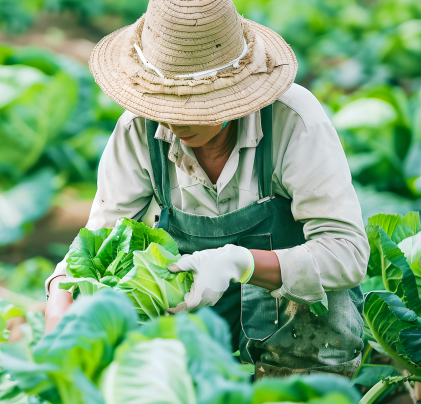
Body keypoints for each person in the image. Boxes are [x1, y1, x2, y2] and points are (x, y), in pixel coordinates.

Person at [44, 0, 369, 379]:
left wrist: (240, 263)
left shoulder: (292, 121)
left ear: (237, 87)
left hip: (292, 313)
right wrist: (58, 307)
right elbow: (97, 247)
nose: (177, 117)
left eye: (197, 104)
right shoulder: (138, 131)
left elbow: (346, 253)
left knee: (317, 341)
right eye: (164, 100)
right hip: (189, 303)